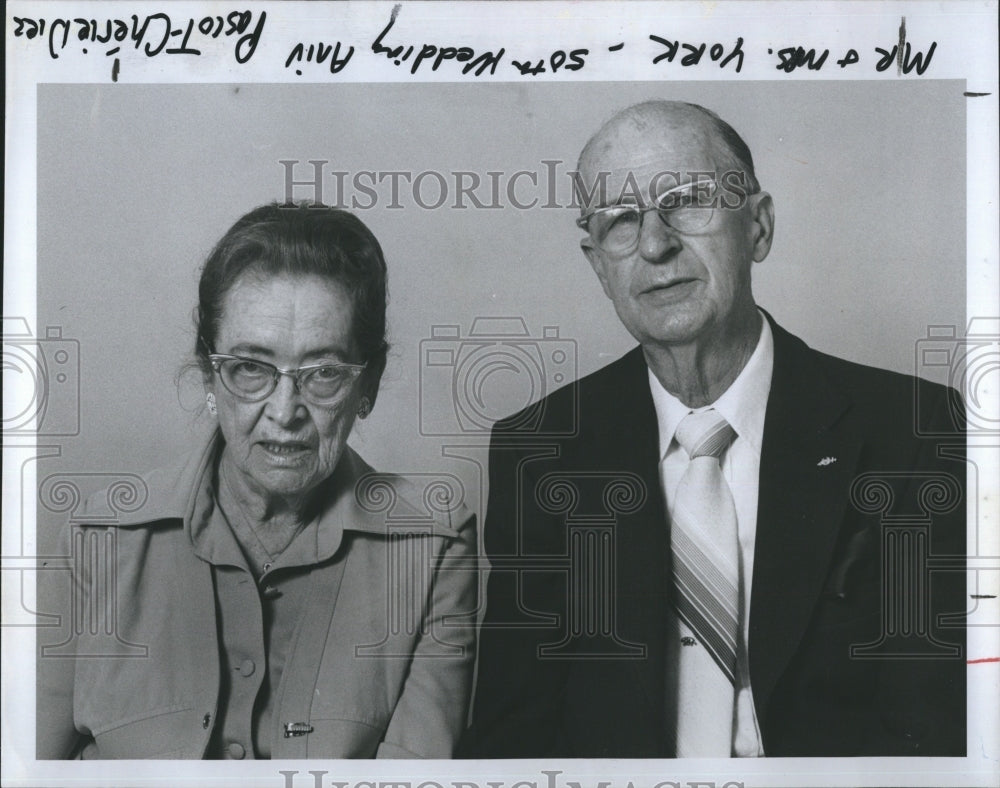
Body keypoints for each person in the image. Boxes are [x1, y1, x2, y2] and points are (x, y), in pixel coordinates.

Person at [459, 101, 966, 758]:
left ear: (757, 226)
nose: (655, 243)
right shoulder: (543, 449)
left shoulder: (916, 435)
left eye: (688, 200)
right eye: (619, 221)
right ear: (597, 265)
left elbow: (932, 734)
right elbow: (512, 736)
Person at [36, 203, 477, 759]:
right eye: (251, 368)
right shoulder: (93, 538)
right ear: (209, 377)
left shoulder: (433, 545)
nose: (285, 410)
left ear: (369, 385)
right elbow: (25, 770)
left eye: (323, 373)